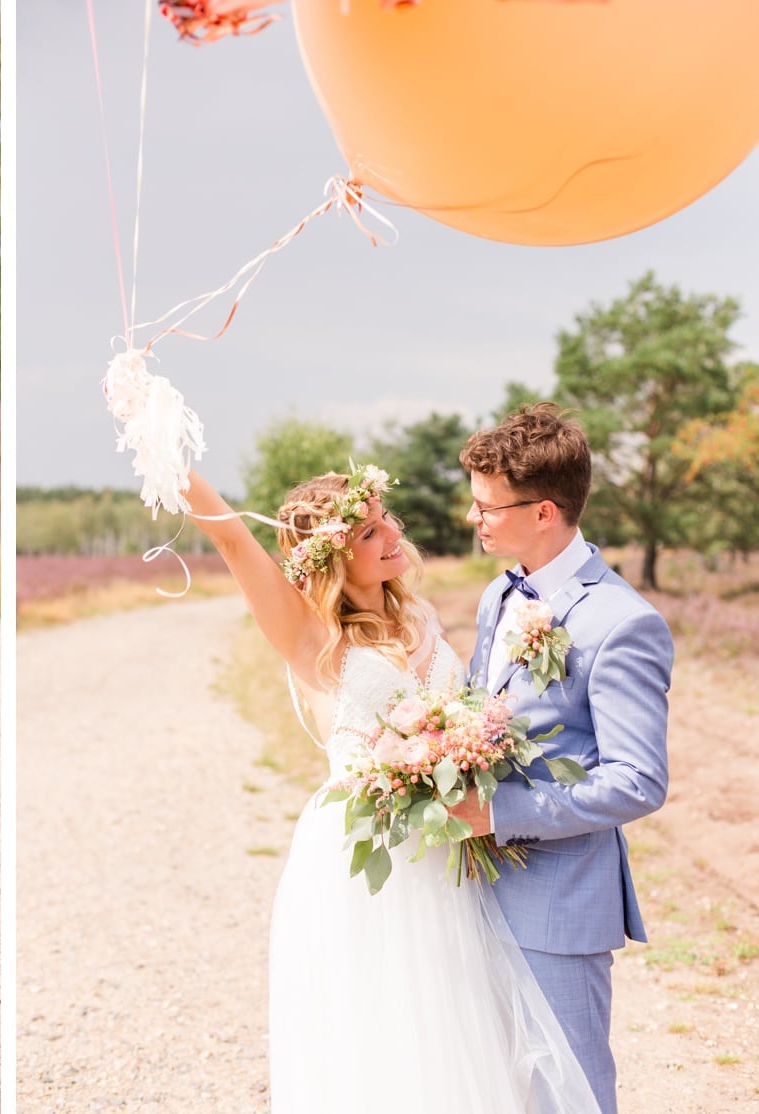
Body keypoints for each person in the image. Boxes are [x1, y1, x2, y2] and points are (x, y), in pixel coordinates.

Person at [182, 465, 600, 1113]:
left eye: (386, 520)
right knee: (385, 1030)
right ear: (331, 557)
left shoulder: (422, 615)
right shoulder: (310, 637)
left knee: (459, 1023)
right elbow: (236, 541)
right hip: (366, 859)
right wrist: (164, 447)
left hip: (445, 846)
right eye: (368, 531)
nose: (389, 536)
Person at [452, 403, 672, 1114]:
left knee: (568, 1095)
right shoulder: (498, 594)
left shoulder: (622, 622)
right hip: (476, 894)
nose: (474, 518)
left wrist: (500, 812)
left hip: (559, 905)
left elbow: (637, 780)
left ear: (545, 511)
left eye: (489, 506)